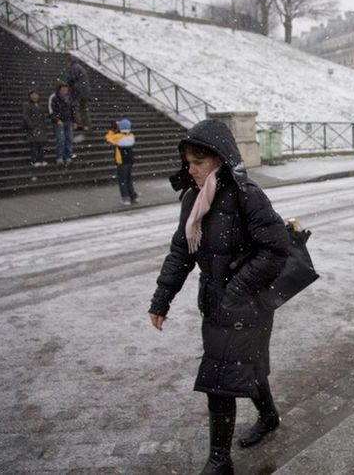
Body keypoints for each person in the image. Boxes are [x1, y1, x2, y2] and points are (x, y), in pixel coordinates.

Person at [147, 119, 289, 475]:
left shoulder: (247, 195)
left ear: (220, 159)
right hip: (214, 302)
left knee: (220, 379)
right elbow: (181, 253)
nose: (191, 170)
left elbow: (276, 249)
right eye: (188, 162)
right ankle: (269, 415)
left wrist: (238, 288)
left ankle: (219, 461)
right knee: (246, 364)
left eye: (199, 162)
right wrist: (161, 299)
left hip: (248, 304)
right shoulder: (194, 199)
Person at [105, 118, 137, 205]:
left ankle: (125, 198)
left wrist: (112, 130)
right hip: (130, 161)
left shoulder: (118, 137)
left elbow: (108, 138)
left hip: (122, 162)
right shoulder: (131, 136)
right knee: (128, 179)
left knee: (122, 180)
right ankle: (133, 196)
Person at [48, 82, 75, 165]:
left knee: (69, 139)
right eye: (63, 90)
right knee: (61, 139)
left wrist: (74, 121)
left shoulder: (68, 98)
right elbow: (51, 110)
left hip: (68, 121)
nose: (65, 91)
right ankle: (60, 157)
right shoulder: (54, 97)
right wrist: (57, 120)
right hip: (59, 122)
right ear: (59, 90)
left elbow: (72, 110)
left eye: (66, 90)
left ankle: (68, 157)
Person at [22, 89, 49, 167]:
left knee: (41, 145)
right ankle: (34, 160)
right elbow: (26, 117)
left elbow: (43, 117)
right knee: (34, 145)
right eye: (33, 95)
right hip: (32, 128)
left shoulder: (40, 105)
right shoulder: (26, 105)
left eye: (36, 95)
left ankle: (42, 159)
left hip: (41, 128)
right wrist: (31, 126)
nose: (34, 97)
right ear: (30, 96)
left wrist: (44, 126)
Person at [65, 55, 92, 131]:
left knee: (74, 107)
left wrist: (68, 85)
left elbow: (72, 78)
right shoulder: (79, 67)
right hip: (85, 91)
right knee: (83, 109)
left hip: (78, 91)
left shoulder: (74, 67)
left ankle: (79, 124)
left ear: (69, 62)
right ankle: (87, 125)